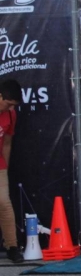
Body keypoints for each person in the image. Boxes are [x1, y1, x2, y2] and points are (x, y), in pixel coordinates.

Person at [0, 79, 23, 263]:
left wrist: (4, 167)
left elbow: (7, 142)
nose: (10, 108)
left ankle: (12, 247)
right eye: (8, 104)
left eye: (13, 105)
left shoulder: (11, 114)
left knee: (4, 204)